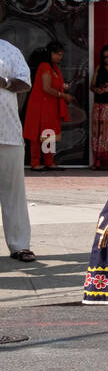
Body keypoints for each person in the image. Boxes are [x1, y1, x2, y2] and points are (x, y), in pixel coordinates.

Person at [0, 37, 36, 261]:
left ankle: (20, 245)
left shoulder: (9, 50)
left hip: (9, 132)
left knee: (14, 193)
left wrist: (3, 82)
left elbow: (25, 83)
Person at [22, 43, 72, 171]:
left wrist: (63, 87)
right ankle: (35, 163)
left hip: (50, 105)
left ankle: (49, 162)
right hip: (40, 105)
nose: (59, 57)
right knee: (38, 135)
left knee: (49, 134)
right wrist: (63, 95)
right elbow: (46, 88)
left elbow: (53, 85)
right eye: (57, 54)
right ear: (50, 53)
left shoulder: (54, 67)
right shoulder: (44, 66)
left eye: (61, 55)